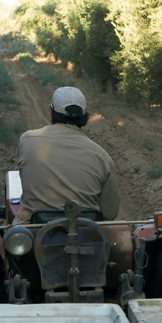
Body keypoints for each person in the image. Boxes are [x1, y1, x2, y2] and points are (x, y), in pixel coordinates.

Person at [15, 86, 121, 223]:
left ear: (51, 114)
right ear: (86, 118)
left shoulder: (27, 140)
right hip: (87, 235)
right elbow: (110, 213)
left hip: (35, 234)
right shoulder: (102, 156)